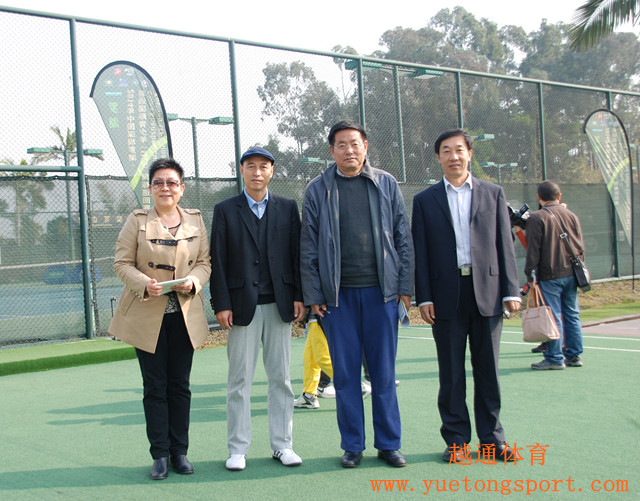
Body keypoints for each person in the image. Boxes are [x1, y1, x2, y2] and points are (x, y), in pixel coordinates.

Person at [300, 121, 414, 468]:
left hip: (383, 295)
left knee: (383, 374)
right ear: (331, 150)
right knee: (346, 375)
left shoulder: (386, 183)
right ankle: (352, 445)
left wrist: (405, 288)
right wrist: (314, 294)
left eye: (355, 143)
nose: (349, 150)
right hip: (338, 299)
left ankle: (389, 444)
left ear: (365, 146)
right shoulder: (318, 189)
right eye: (341, 145)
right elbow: (308, 246)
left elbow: (402, 237)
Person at [411, 129, 521, 463]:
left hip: (488, 292)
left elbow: (505, 244)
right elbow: (420, 252)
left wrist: (511, 290)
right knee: (451, 374)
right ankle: (456, 440)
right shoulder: (425, 200)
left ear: (470, 153)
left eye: (459, 150)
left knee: (489, 371)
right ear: (438, 157)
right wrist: (424, 298)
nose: (454, 157)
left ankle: (492, 440)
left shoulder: (493, 193)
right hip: (445, 296)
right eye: (446, 151)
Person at [109, 158, 211, 480]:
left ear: (182, 188)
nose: (165, 188)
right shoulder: (137, 220)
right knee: (155, 386)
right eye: (159, 183)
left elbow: (205, 262)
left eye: (171, 182)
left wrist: (193, 281)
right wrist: (144, 283)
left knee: (180, 385)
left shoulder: (195, 220)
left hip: (184, 315)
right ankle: (160, 455)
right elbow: (121, 262)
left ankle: (180, 452)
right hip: (147, 316)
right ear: (151, 188)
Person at [210, 147, 305, 471]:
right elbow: (218, 259)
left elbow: (296, 255)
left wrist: (299, 295)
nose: (257, 172)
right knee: (239, 381)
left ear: (271, 171)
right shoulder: (225, 210)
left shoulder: (287, 207)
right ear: (242, 170)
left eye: (263, 166)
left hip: (280, 305)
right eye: (250, 166)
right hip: (241, 309)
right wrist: (222, 303)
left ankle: (283, 445)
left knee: (281, 379)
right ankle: (238, 449)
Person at [524, 180, 586, 370]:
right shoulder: (571, 215)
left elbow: (533, 250)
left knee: (552, 315)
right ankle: (573, 355)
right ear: (559, 196)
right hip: (572, 272)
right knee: (572, 314)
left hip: (550, 273)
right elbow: (580, 244)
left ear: (538, 197)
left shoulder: (537, 218)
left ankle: (554, 357)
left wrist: (530, 274)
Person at [293, 314, 334, 409]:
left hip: (318, 314)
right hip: (314, 316)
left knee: (322, 358)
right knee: (310, 357)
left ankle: (351, 385)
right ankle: (309, 395)